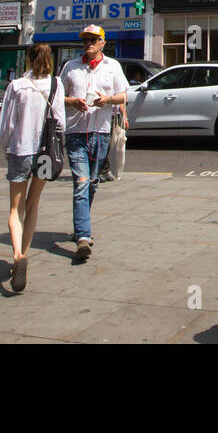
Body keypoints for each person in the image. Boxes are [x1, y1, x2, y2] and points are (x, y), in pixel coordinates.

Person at [0, 44, 65, 292]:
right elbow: (60, 122)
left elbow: (6, 124)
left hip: (21, 149)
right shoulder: (56, 85)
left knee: (15, 208)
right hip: (46, 152)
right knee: (33, 204)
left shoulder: (17, 86)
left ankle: (18, 256)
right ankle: (25, 252)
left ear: (27, 59)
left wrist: (7, 148)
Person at [60, 25, 130, 261]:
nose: (88, 43)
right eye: (85, 40)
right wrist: (71, 101)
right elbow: (59, 95)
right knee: (80, 182)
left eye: (93, 39)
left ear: (103, 42)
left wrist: (107, 99)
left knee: (92, 182)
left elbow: (123, 96)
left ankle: (81, 224)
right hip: (75, 132)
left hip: (101, 131)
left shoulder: (113, 66)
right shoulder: (70, 67)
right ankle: (83, 236)